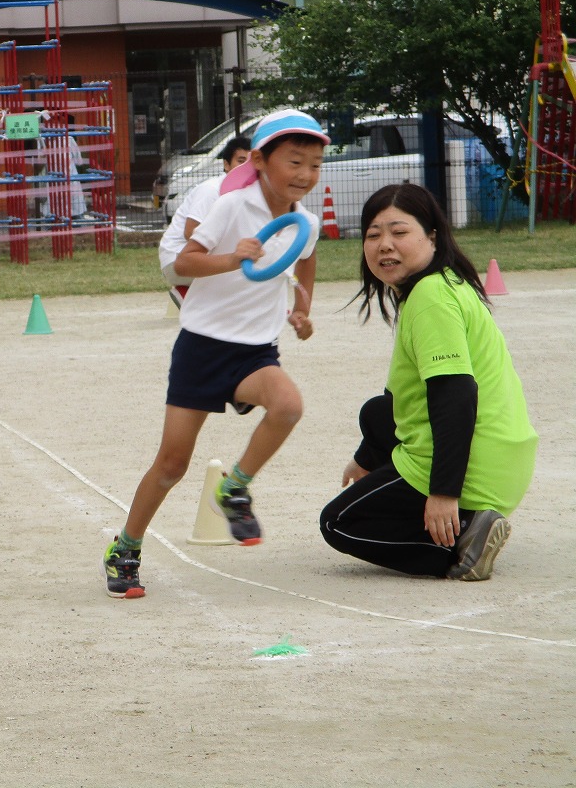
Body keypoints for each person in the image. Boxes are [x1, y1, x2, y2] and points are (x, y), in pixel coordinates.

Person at [104, 108, 327, 598]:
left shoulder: (304, 221)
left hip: (255, 352)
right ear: (262, 161)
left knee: (288, 405)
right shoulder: (231, 204)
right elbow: (183, 264)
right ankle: (125, 546)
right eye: (295, 162)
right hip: (202, 347)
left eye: (315, 164)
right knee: (171, 465)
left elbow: (305, 260)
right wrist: (233, 257)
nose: (306, 175)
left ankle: (235, 487)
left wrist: (302, 308)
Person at [319, 184, 536, 581]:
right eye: (373, 234)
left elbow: (455, 395)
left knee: (339, 522)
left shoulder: (430, 297)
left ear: (432, 237)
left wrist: (444, 494)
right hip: (505, 456)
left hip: (476, 468)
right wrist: (367, 459)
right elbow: (398, 403)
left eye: (399, 233)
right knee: (378, 412)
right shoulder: (444, 283)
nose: (384, 245)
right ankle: (464, 518)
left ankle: (463, 538)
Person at [159, 135, 252, 306]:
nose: (246, 167)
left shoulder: (245, 194)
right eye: (240, 161)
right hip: (176, 258)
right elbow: (190, 232)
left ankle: (194, 296)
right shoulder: (211, 190)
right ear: (226, 165)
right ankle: (189, 296)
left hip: (190, 260)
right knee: (237, 270)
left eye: (250, 162)